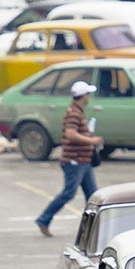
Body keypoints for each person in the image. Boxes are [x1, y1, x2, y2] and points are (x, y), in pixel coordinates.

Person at [35, 80, 100, 238]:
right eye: (88, 94)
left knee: (92, 196)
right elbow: (70, 134)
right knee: (69, 193)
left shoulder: (77, 111)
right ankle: (44, 219)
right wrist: (91, 140)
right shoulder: (74, 113)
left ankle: (93, 229)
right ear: (83, 96)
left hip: (83, 161)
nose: (89, 97)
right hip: (75, 161)